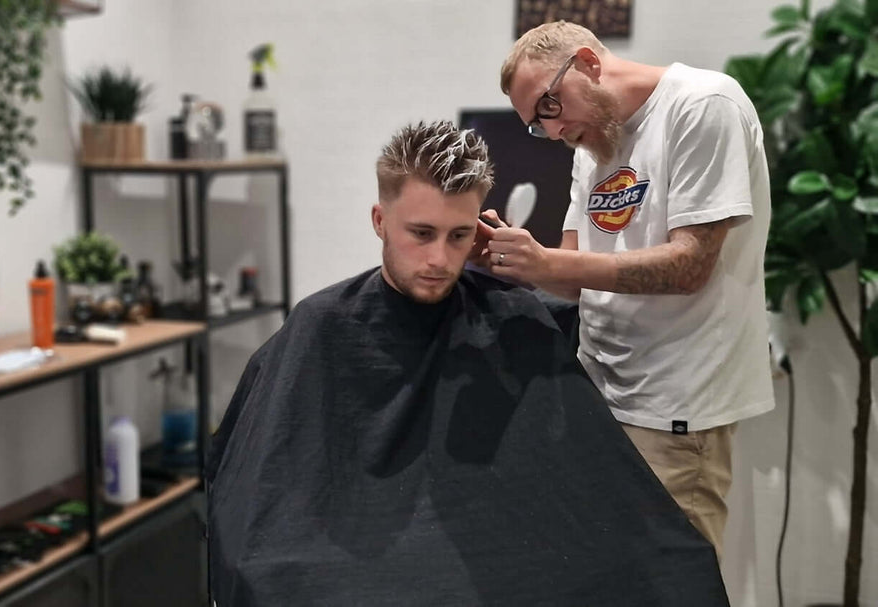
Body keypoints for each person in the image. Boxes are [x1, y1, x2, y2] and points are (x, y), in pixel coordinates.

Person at [207, 120, 729, 606]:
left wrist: (520, 281)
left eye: (459, 236)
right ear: (379, 221)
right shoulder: (320, 325)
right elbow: (260, 494)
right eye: (421, 233)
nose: (439, 259)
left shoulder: (510, 313)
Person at [489, 20, 775, 558]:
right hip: (601, 395)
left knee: (672, 586)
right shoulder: (592, 145)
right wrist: (520, 259)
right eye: (535, 124)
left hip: (676, 407)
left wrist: (549, 261)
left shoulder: (704, 106)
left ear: (589, 65)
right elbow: (576, 276)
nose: (550, 131)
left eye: (548, 107)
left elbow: (691, 266)